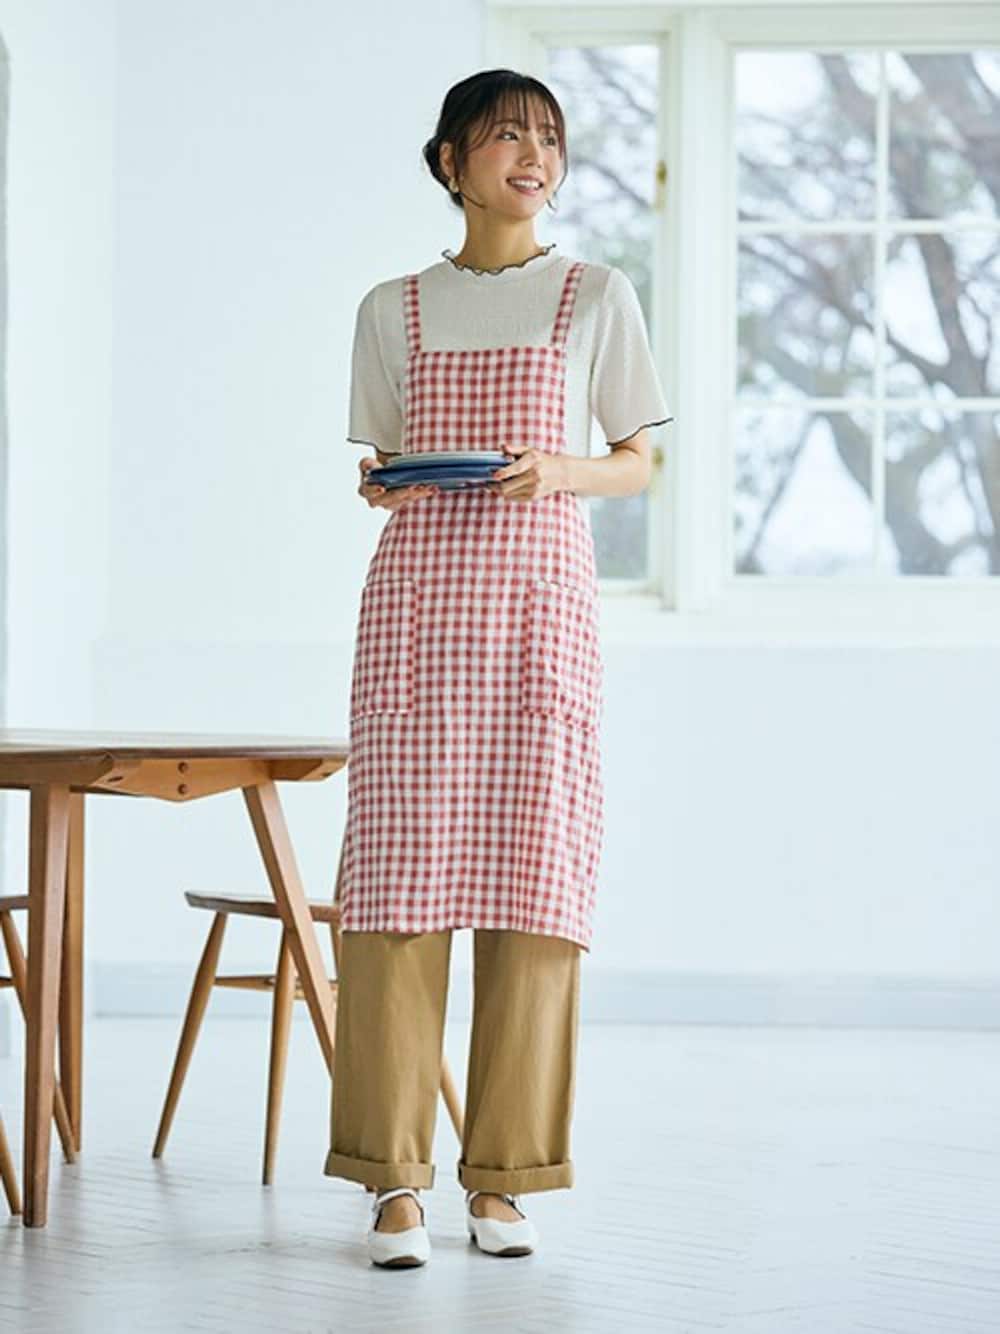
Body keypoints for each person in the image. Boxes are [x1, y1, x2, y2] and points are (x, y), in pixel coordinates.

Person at [324, 68, 673, 1268]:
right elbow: (385, 459)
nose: (534, 154)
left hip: (537, 616)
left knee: (537, 883)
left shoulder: (595, 293)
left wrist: (557, 470)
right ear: (450, 162)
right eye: (507, 135)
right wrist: (380, 482)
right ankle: (392, 1181)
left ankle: (505, 1178)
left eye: (548, 137)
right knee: (394, 887)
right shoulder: (392, 306)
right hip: (418, 615)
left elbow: (636, 460)